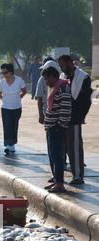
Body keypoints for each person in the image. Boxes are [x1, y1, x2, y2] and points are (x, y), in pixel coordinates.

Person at [57, 54, 92, 185]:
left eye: (63, 65)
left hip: (75, 117)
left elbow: (87, 99)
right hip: (62, 116)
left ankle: (78, 175)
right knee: (62, 147)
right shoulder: (62, 76)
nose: (61, 68)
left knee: (74, 147)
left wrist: (82, 115)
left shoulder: (83, 77)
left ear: (70, 63)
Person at [41, 66, 72, 193]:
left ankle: (60, 183)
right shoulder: (56, 87)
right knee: (52, 154)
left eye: (46, 79)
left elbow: (66, 108)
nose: (45, 81)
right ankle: (55, 179)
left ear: (53, 77)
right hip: (51, 126)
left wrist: (59, 125)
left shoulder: (63, 87)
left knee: (57, 155)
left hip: (56, 127)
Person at [0, 62, 27, 154]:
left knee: (14, 125)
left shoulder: (19, 80)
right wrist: (5, 99)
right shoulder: (2, 82)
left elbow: (24, 91)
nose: (4, 75)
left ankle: (13, 144)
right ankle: (7, 145)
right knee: (7, 126)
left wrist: (18, 98)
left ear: (10, 72)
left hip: (16, 107)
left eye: (5, 72)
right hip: (5, 107)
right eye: (2, 73)